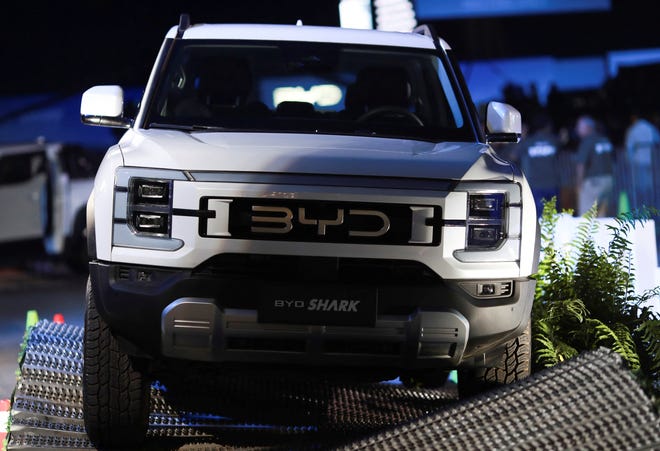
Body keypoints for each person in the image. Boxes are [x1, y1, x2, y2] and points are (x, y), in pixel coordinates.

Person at [512, 111, 561, 216]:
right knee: (553, 216)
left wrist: (522, 138)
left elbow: (513, 156)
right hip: (552, 184)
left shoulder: (528, 142)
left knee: (538, 217)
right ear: (547, 126)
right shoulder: (553, 140)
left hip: (534, 185)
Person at [574, 115, 615, 216]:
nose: (577, 129)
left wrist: (579, 184)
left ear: (588, 127)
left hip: (593, 183)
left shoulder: (587, 141)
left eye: (579, 127)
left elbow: (581, 164)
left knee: (586, 216)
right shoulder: (605, 140)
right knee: (601, 215)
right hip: (608, 181)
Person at [624, 110, 660, 209]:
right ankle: (653, 207)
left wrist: (629, 162)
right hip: (651, 162)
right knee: (651, 187)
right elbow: (657, 140)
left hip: (638, 163)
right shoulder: (650, 127)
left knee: (640, 188)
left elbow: (629, 147)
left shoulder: (633, 129)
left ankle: (643, 209)